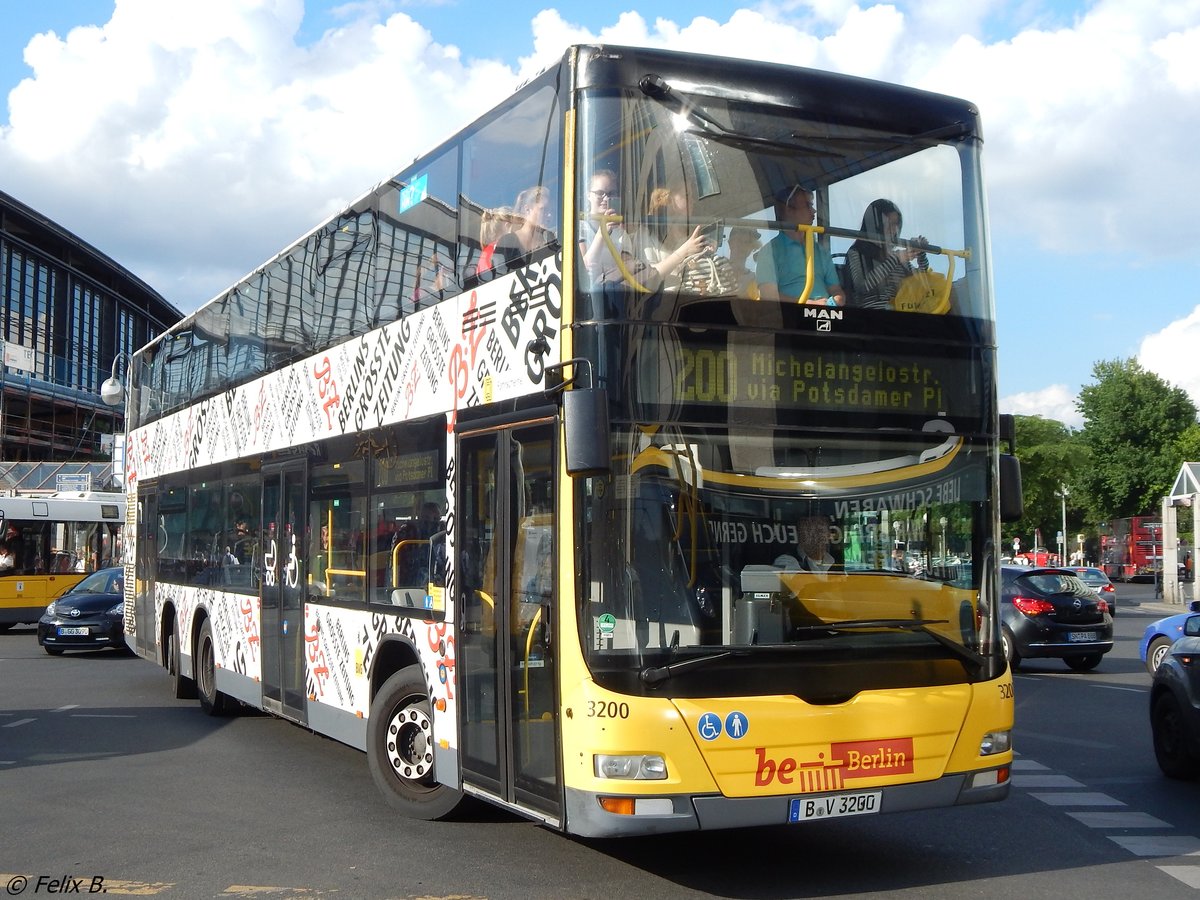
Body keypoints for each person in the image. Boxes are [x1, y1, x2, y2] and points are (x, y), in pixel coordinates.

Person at [757, 185, 845, 306]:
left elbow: (836, 290)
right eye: (808, 205)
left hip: (826, 317)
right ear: (789, 210)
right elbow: (768, 295)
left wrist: (835, 302)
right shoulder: (770, 251)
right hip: (790, 319)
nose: (814, 211)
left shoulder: (820, 251)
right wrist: (807, 304)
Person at [845, 199, 930, 310]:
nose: (893, 230)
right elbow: (862, 287)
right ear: (874, 225)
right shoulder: (856, 252)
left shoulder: (896, 256)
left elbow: (921, 279)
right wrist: (895, 259)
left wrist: (920, 253)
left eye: (896, 224)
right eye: (889, 224)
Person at [578, 169, 636, 285]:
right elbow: (584, 268)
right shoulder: (579, 228)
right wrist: (602, 233)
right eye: (600, 193)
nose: (606, 198)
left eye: (611, 194)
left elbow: (629, 269)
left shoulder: (620, 232)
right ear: (588, 195)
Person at [493, 185, 556, 273]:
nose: (549, 215)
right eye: (543, 209)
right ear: (527, 209)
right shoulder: (508, 241)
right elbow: (497, 275)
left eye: (551, 211)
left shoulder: (552, 240)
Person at [774, 515, 840, 572]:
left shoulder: (835, 561)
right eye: (808, 531)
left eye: (820, 530)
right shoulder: (785, 560)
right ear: (800, 535)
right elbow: (800, 583)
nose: (814, 535)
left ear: (829, 535)